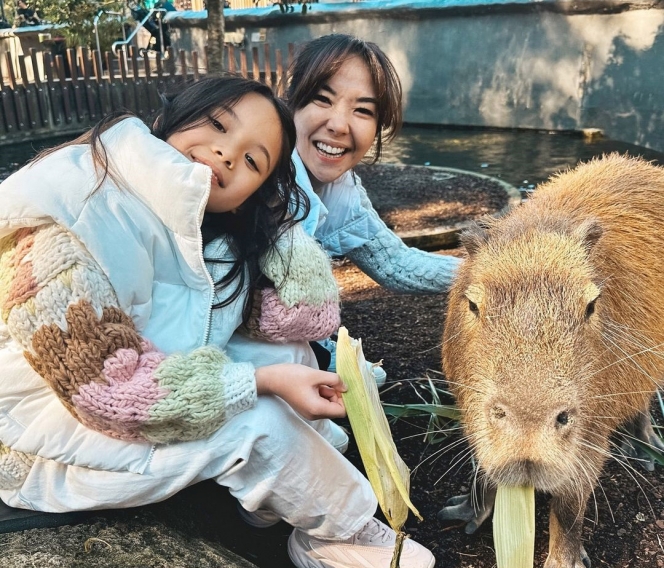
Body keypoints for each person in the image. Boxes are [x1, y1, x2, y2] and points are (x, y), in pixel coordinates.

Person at [0, 75, 435, 568]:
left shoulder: (202, 235)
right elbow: (109, 391)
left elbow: (308, 318)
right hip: (37, 446)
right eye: (217, 125)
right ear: (170, 120)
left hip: (119, 407)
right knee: (258, 417)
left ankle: (274, 503)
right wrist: (261, 383)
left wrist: (278, 220)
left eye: (254, 161)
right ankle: (341, 530)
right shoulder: (65, 219)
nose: (228, 155)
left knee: (288, 354)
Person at [284, 34, 463, 385]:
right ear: (290, 104)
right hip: (225, 350)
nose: (338, 124)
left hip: (292, 340)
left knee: (366, 382)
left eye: (362, 110)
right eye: (323, 99)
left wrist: (490, 269)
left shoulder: (342, 192)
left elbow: (396, 264)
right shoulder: (255, 176)